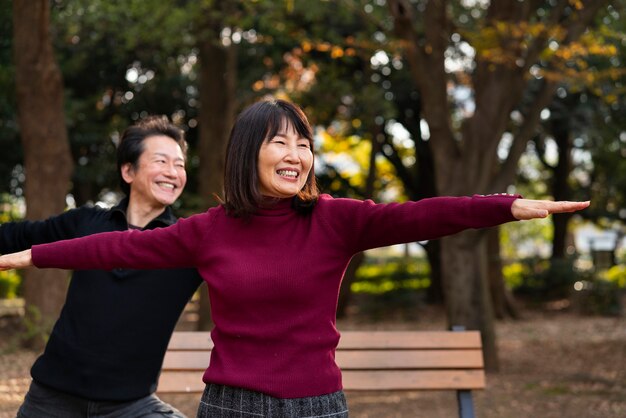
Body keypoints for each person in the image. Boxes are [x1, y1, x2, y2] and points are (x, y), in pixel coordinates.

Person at [0, 99, 590, 418]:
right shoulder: (209, 232)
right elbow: (117, 246)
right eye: (280, 140)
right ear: (246, 154)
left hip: (318, 406)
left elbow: (418, 215)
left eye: (304, 143)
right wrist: (31, 256)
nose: (297, 153)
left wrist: (505, 207)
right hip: (230, 406)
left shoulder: (334, 220)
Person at [1, 116, 203, 418]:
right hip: (52, 398)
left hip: (131, 406)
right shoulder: (87, 222)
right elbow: (17, 236)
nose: (173, 173)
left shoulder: (187, 244)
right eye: (162, 161)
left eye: (180, 164)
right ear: (128, 170)